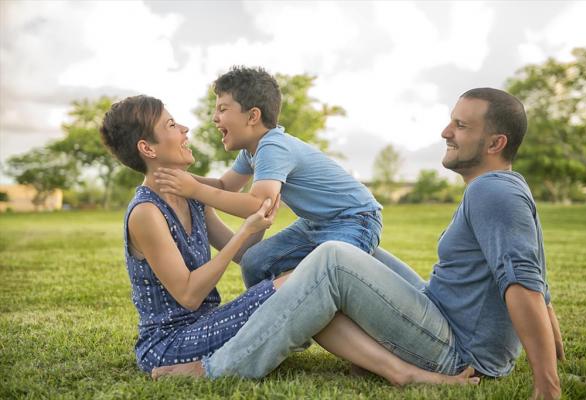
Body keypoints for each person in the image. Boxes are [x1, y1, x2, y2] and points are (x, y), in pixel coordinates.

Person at [153, 88, 564, 400]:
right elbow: (530, 272)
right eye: (450, 121)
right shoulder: (501, 188)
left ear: (495, 144)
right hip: (442, 310)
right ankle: (383, 364)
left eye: (461, 126)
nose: (445, 131)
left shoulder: (493, 192)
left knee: (330, 259)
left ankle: (217, 368)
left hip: (459, 349)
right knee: (316, 263)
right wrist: (556, 345)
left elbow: (523, 282)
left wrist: (547, 385)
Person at [100, 94, 478, 387]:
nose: (185, 129)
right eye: (171, 125)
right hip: (170, 345)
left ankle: (387, 363)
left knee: (308, 278)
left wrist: (258, 225)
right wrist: (246, 230)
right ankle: (400, 371)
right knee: (304, 280)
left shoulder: (192, 195)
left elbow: (245, 256)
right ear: (147, 148)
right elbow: (188, 294)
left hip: (205, 323)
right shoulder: (147, 213)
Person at [153, 66, 382, 288]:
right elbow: (225, 186)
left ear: (253, 116)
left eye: (222, 109)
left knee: (320, 275)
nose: (214, 117)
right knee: (255, 262)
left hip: (355, 219)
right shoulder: (251, 150)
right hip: (317, 223)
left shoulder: (273, 146)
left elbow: (256, 204)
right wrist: (175, 176)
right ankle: (264, 311)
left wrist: (193, 189)